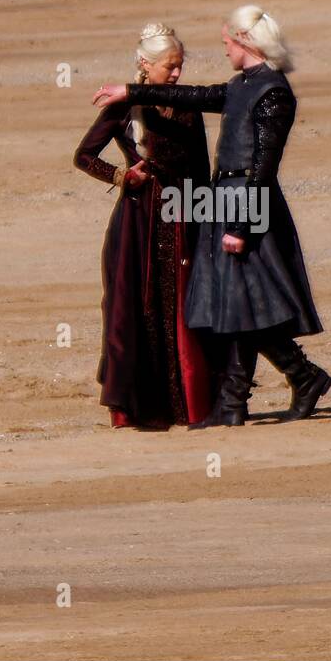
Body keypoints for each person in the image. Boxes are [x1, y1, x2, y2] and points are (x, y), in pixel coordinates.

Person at [92, 5, 331, 427]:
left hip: (247, 204)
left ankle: (288, 380)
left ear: (244, 42)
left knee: (245, 302)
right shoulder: (241, 86)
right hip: (226, 199)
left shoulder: (273, 92)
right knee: (236, 302)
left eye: (226, 43)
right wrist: (131, 92)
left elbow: (263, 167)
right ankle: (246, 397)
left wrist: (240, 225)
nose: (223, 50)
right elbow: (192, 96)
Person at [73, 23, 213, 429]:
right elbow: (83, 156)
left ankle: (190, 404)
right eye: (169, 67)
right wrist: (121, 177)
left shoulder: (187, 105)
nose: (176, 74)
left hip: (182, 214)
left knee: (183, 308)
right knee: (137, 306)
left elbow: (202, 168)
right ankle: (140, 407)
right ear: (145, 66)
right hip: (137, 221)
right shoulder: (121, 109)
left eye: (179, 66)